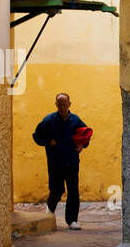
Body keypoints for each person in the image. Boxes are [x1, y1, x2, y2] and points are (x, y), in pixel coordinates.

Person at [32, 93, 89, 229]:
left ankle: (72, 221)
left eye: (65, 105)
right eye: (60, 105)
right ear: (56, 105)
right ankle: (50, 210)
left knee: (73, 190)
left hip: (72, 161)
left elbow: (85, 134)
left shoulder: (75, 120)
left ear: (69, 104)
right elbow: (36, 136)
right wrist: (48, 141)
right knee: (57, 189)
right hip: (55, 162)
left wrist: (82, 145)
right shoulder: (49, 121)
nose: (63, 107)